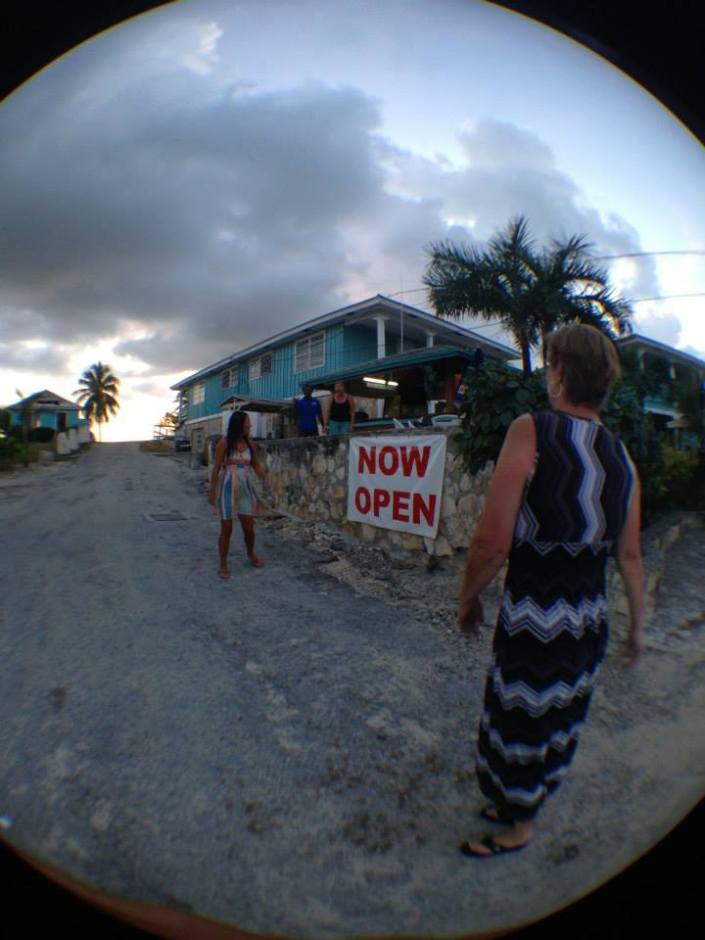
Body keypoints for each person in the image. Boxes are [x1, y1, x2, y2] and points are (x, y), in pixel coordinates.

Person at [457, 323, 644, 858]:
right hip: (588, 619)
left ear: (559, 371)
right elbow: (630, 555)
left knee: (520, 717)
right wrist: (637, 628)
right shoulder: (621, 455)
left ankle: (517, 827)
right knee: (557, 717)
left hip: (535, 613)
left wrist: (468, 597)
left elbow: (492, 541)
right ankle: (514, 804)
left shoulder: (534, 430)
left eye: (549, 364)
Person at [208, 411, 271, 579]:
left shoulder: (250, 444)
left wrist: (265, 479)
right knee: (227, 528)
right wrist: (212, 491)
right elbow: (216, 468)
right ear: (239, 424)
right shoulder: (225, 443)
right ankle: (223, 563)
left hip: (245, 490)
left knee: (249, 528)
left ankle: (251, 554)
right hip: (227, 489)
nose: (250, 425)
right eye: (248, 422)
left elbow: (256, 465)